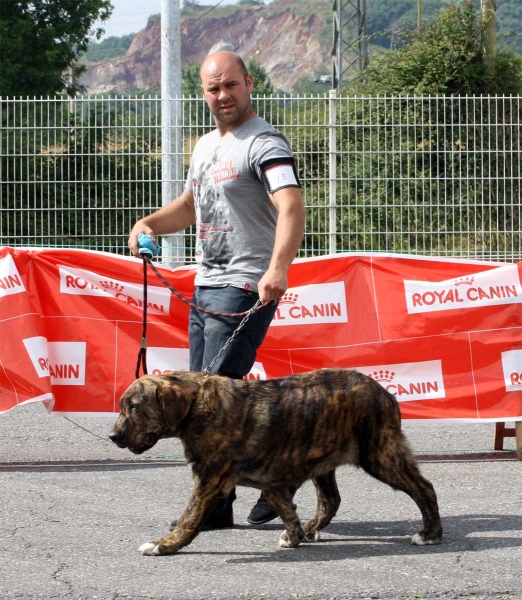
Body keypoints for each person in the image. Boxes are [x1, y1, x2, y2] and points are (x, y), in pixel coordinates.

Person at [128, 50, 305, 530]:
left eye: (230, 85)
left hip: (244, 286)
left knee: (209, 406)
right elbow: (189, 206)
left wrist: (277, 269)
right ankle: (223, 504)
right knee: (210, 404)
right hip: (206, 284)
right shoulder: (206, 144)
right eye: (213, 88)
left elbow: (291, 207)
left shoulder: (264, 142)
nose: (223, 95)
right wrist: (148, 222)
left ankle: (275, 479)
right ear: (203, 92)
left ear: (249, 82)